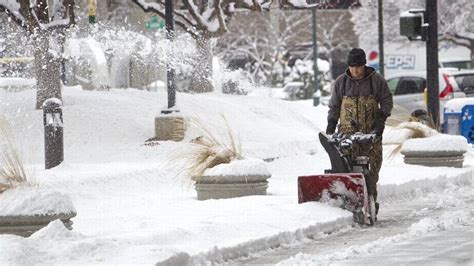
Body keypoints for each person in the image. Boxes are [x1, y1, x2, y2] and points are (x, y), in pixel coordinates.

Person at [326, 48, 393, 217]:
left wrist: (380, 122)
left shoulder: (376, 81)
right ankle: (347, 206)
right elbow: (334, 106)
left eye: (358, 67)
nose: (355, 70)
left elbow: (386, 101)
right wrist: (331, 126)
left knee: (370, 173)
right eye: (352, 67)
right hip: (347, 136)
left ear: (364, 65)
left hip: (370, 137)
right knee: (345, 171)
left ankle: (370, 204)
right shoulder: (341, 82)